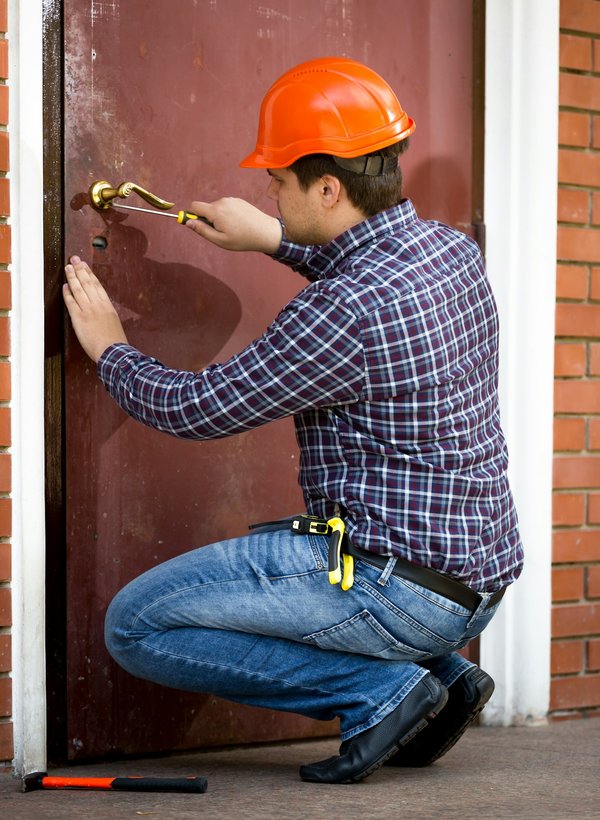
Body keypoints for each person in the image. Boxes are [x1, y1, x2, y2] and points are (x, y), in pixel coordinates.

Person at [63, 57, 523, 784]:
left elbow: (197, 408)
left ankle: (381, 693)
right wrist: (274, 236)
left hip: (393, 591)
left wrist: (111, 349)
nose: (268, 190)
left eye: (278, 181)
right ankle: (446, 676)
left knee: (136, 624)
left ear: (329, 188)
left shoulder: (341, 312)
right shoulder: (450, 250)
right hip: (475, 593)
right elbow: (367, 275)